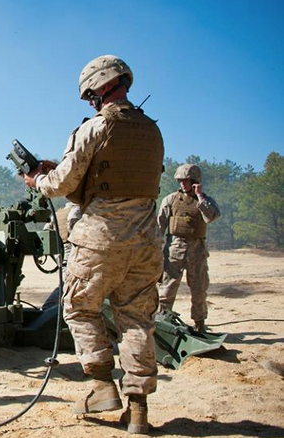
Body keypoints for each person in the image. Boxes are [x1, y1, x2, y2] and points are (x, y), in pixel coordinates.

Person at [23, 55, 164, 434]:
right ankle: (138, 411)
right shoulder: (152, 131)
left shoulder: (95, 128)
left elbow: (61, 186)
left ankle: (102, 385)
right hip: (148, 242)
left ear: (104, 86)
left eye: (90, 95)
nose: (90, 103)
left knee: (80, 309)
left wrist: (38, 180)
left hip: (100, 240)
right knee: (137, 321)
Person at [157, 164, 221, 332]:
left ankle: (200, 324)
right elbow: (159, 226)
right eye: (181, 180)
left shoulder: (205, 201)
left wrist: (199, 196)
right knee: (166, 289)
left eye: (187, 180)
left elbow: (212, 216)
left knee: (199, 289)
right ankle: (163, 322)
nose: (183, 184)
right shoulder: (170, 200)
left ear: (195, 181)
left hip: (197, 250)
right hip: (174, 249)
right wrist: (155, 248)